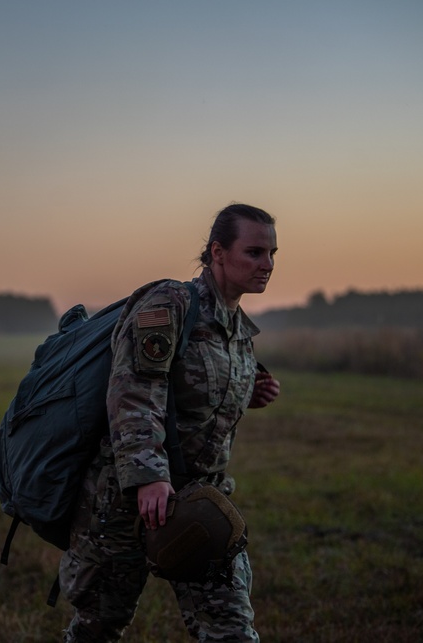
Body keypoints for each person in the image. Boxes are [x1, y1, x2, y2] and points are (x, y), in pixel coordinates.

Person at [59, 203, 281, 641]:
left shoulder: (237, 327)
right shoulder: (170, 305)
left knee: (231, 631)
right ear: (218, 252)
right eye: (254, 252)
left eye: (273, 253)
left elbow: (195, 393)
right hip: (125, 505)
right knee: (98, 627)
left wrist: (247, 393)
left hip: (200, 506)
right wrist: (148, 478)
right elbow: (134, 393)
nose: (267, 265)